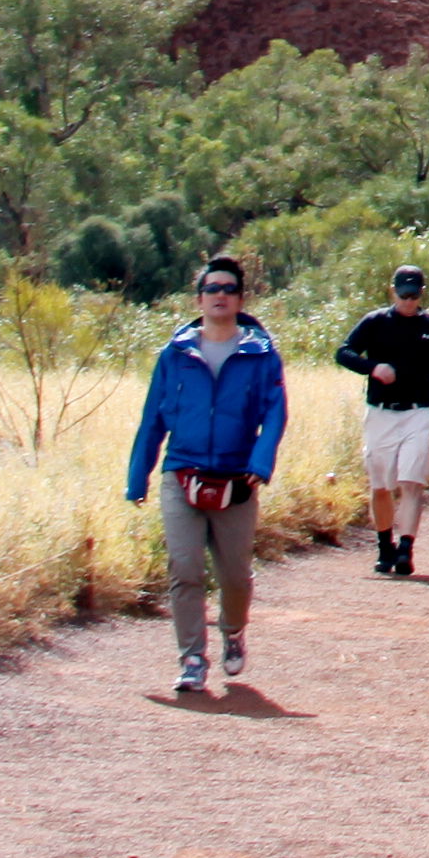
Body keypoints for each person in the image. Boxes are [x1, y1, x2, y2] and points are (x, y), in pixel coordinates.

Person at [123, 254, 286, 694]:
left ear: (240, 298)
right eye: (211, 289)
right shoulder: (175, 354)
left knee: (235, 575)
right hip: (182, 472)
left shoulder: (262, 354)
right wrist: (138, 476)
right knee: (184, 567)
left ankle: (233, 631)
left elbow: (275, 414)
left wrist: (260, 463)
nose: (220, 296)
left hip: (236, 478)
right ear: (198, 298)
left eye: (228, 289)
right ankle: (192, 657)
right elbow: (152, 419)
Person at [336, 261, 429, 578]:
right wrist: (372, 367)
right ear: (393, 291)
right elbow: (344, 352)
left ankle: (405, 548)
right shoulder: (375, 323)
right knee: (381, 486)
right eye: (403, 295)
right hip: (380, 413)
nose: (408, 301)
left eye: (413, 296)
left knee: (411, 482)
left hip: (417, 412)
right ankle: (385, 545)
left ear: (421, 294)